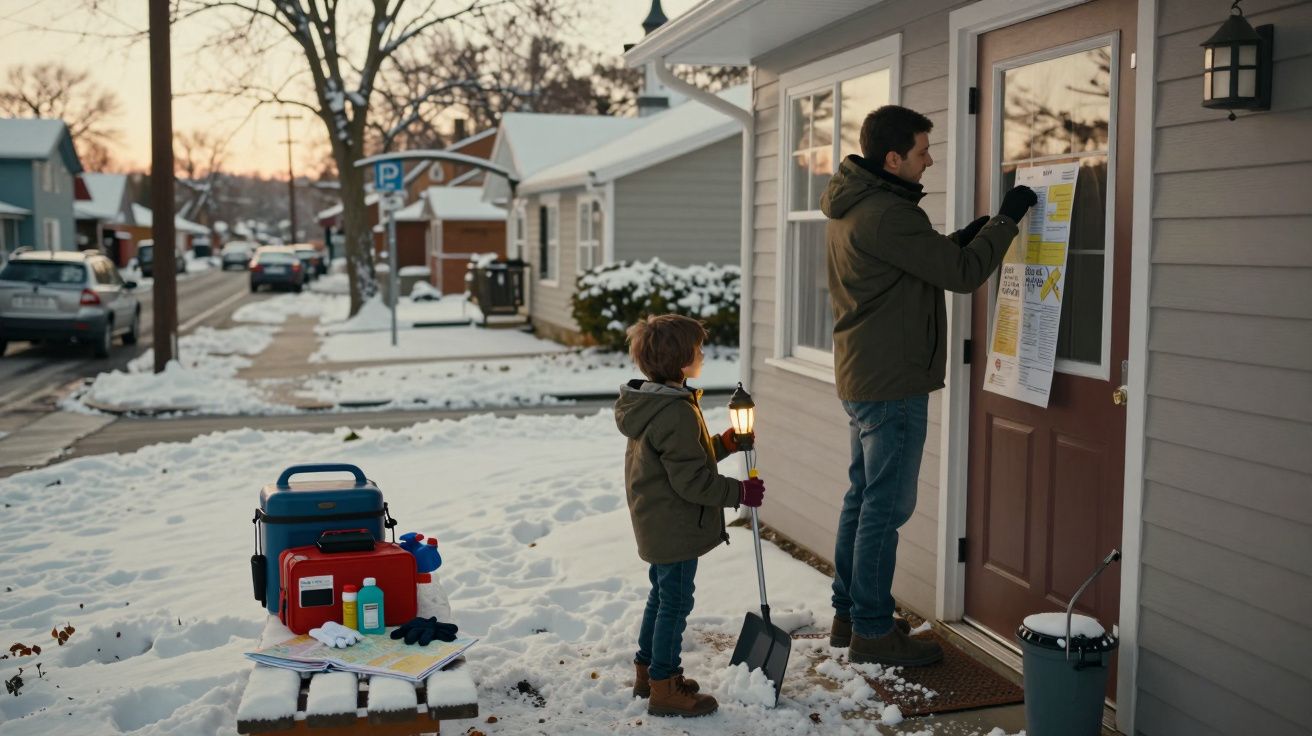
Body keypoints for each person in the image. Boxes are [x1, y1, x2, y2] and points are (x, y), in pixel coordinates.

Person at [821, 105, 1037, 666]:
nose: (930, 160)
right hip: (891, 384)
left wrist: (964, 237)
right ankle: (872, 631)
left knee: (862, 498)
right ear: (893, 158)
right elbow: (962, 275)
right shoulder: (889, 214)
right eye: (923, 151)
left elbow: (917, 262)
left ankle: (850, 614)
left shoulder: (857, 205)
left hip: (864, 374)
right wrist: (1007, 220)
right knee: (884, 508)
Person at [613, 314, 766, 717]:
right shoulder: (675, 411)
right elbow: (692, 482)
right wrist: (739, 492)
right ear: (681, 360)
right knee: (675, 603)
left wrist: (724, 444)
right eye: (698, 349)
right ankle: (665, 687)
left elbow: (683, 460)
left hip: (658, 520)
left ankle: (648, 672)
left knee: (661, 597)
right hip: (675, 526)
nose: (702, 355)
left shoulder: (654, 403)